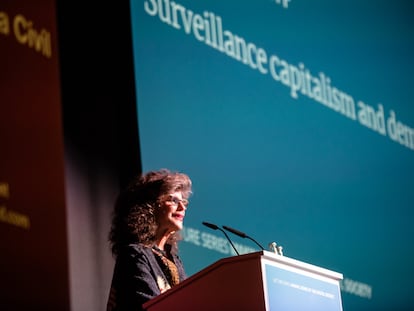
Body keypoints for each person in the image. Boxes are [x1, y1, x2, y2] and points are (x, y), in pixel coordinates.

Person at [106, 169, 192, 311]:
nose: (182, 207)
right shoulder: (134, 254)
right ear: (150, 206)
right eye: (174, 200)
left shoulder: (173, 259)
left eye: (184, 202)